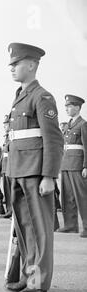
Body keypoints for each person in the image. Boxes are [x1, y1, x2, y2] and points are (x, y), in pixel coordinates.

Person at [4, 43, 64, 292]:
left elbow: (54, 139)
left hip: (35, 173)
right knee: (25, 230)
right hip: (18, 170)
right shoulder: (20, 97)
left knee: (39, 231)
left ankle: (38, 282)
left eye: (15, 64)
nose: (12, 69)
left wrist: (49, 176)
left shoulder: (42, 96)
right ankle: (30, 277)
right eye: (11, 65)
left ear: (31, 65)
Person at [57, 94, 87, 237]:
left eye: (69, 106)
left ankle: (86, 226)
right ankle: (70, 225)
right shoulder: (68, 125)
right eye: (66, 106)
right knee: (67, 196)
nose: (67, 109)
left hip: (77, 164)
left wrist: (86, 166)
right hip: (66, 163)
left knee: (82, 196)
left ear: (77, 107)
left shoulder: (83, 124)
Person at [0, 115, 13, 219]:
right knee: (7, 191)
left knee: (12, 191)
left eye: (6, 124)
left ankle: (13, 211)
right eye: (4, 124)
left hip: (11, 166)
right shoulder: (7, 137)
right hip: (5, 167)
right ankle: (9, 210)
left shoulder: (12, 135)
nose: (5, 126)